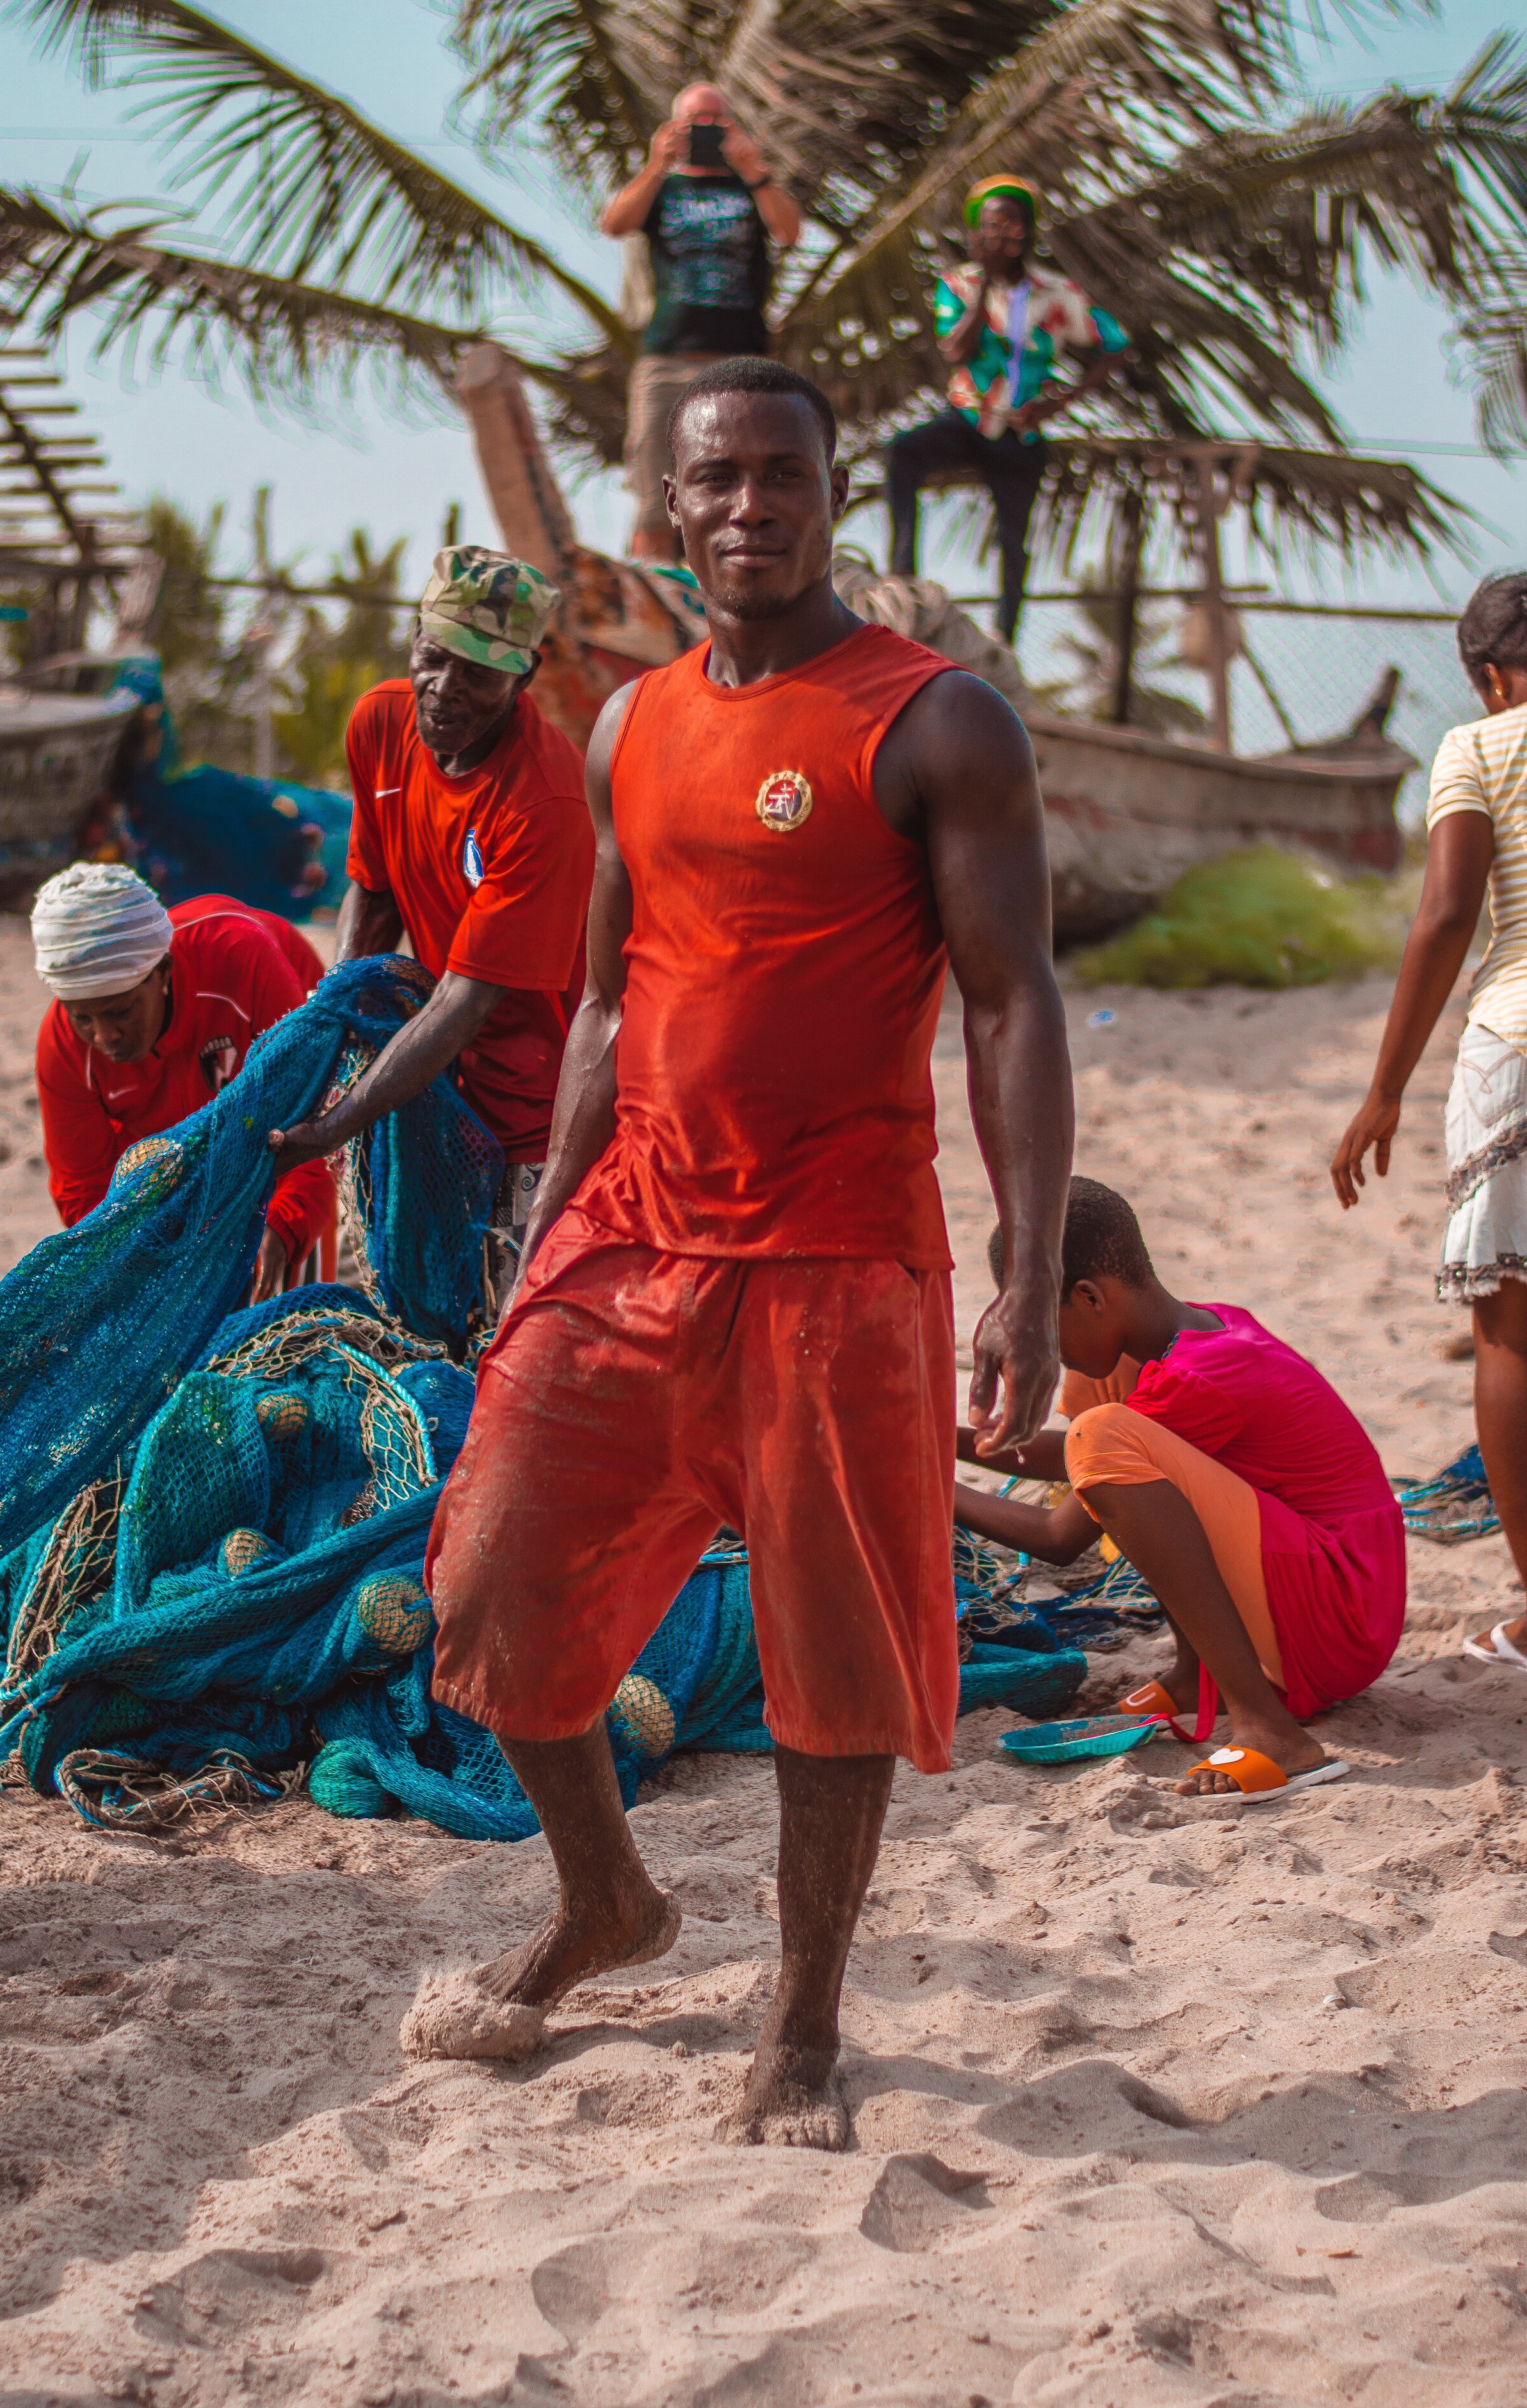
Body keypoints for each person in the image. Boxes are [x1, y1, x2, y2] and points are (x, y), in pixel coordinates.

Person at [400, 355, 1072, 2148]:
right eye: (718, 479)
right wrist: (547, 1221)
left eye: (784, 474)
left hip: (842, 1260)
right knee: (489, 1587)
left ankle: (802, 2020)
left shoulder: (938, 721)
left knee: (831, 1658)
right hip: (630, 1238)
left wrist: (1023, 1270)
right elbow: (608, 1001)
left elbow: (1011, 1003)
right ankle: (607, 1902)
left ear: (832, 494)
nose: (750, 506)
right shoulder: (629, 725)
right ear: (672, 506)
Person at [960, 1178, 1405, 1801]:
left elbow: (1060, 1535)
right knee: (1104, 1404)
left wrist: (926, 1483)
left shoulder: (1197, 1378)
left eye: (1042, 1328)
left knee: (1102, 1431)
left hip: (1340, 1624)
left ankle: (1270, 1729)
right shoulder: (1197, 1330)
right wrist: (945, 1439)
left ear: (1089, 1297)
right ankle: (1196, 1676)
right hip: (1341, 1591)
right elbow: (1083, 1457)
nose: (1046, 1352)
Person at [267, 547, 595, 1306]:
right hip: (433, 1085)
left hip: (534, 1110)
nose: (445, 688)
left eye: (477, 673)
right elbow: (373, 892)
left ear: (525, 675)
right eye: (433, 656)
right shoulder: (380, 723)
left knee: (510, 1323)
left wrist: (336, 1124)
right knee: (418, 1312)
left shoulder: (545, 803)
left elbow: (463, 1001)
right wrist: (334, 1022)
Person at [1331, 571, 1527, 1673]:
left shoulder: (1479, 747)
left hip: (1517, 1043)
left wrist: (1386, 1087)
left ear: (1490, 676)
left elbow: (1449, 913)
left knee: (1510, 1331)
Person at [32, 866, 335, 1303]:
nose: (104, 1036)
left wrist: (286, 1227)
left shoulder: (244, 960)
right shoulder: (63, 1045)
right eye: (83, 1018)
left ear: (164, 971)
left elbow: (314, 1124)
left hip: (267, 1105)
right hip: (161, 1137)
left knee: (292, 1294)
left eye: (120, 1012)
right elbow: (84, 1190)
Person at [884, 175, 1129, 639]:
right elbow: (956, 351)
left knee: (1014, 542)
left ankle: (1005, 637)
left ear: (1027, 230)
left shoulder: (1056, 292)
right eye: (991, 226)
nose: (1001, 234)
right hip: (968, 419)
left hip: (1021, 430)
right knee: (903, 452)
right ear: (977, 233)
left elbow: (1115, 343)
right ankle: (904, 581)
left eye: (1011, 224)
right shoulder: (957, 285)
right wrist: (984, 287)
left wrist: (1064, 400)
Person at [599, 84, 802, 564]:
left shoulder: (751, 188)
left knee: (739, 502)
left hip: (742, 364)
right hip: (667, 361)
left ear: (733, 126)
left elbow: (789, 231)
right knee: (654, 498)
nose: (705, 129)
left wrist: (754, 170)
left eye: (716, 120)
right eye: (695, 121)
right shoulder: (663, 188)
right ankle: (656, 595)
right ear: (676, 126)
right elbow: (614, 224)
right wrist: (657, 165)